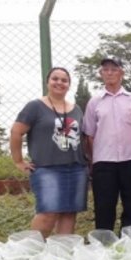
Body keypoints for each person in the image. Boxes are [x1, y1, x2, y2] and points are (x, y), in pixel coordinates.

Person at [9, 67, 88, 237]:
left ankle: (61, 255)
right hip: (47, 168)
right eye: (55, 79)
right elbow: (16, 132)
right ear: (48, 82)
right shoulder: (35, 106)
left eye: (64, 80)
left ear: (69, 85)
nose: (59, 83)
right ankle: (33, 253)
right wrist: (18, 161)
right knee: (48, 214)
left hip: (76, 168)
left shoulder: (76, 109)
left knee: (69, 212)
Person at [83, 57, 131, 232]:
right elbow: (89, 134)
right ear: (101, 73)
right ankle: (104, 243)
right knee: (104, 206)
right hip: (104, 162)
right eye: (106, 69)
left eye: (114, 69)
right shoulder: (94, 102)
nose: (110, 73)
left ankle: (128, 242)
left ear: (122, 73)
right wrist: (93, 160)